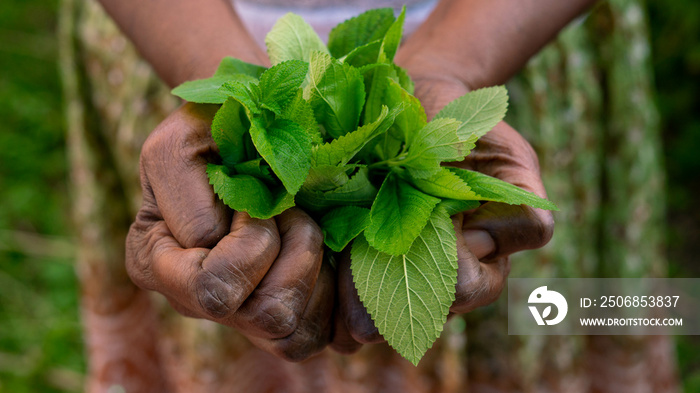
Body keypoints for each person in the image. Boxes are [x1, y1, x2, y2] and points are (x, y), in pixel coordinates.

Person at [94, 0, 596, 388]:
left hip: (505, 30)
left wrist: (450, 66)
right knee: (228, 270)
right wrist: (218, 80)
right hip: (174, 30)